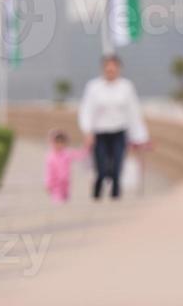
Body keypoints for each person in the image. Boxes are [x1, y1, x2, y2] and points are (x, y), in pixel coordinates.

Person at [77, 54, 150, 199]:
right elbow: (86, 110)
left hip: (119, 133)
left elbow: (134, 112)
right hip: (100, 133)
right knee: (102, 169)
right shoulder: (93, 87)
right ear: (103, 69)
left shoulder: (126, 87)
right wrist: (87, 131)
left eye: (113, 68)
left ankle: (116, 198)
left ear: (118, 69)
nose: (111, 71)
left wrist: (141, 136)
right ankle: (97, 193)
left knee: (117, 167)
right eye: (107, 68)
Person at [44, 129, 90, 204]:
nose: (59, 145)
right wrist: (48, 184)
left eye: (61, 142)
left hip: (66, 183)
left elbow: (80, 154)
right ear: (52, 143)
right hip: (56, 184)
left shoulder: (67, 153)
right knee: (57, 201)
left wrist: (87, 146)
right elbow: (48, 171)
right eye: (57, 142)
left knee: (66, 200)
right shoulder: (50, 157)